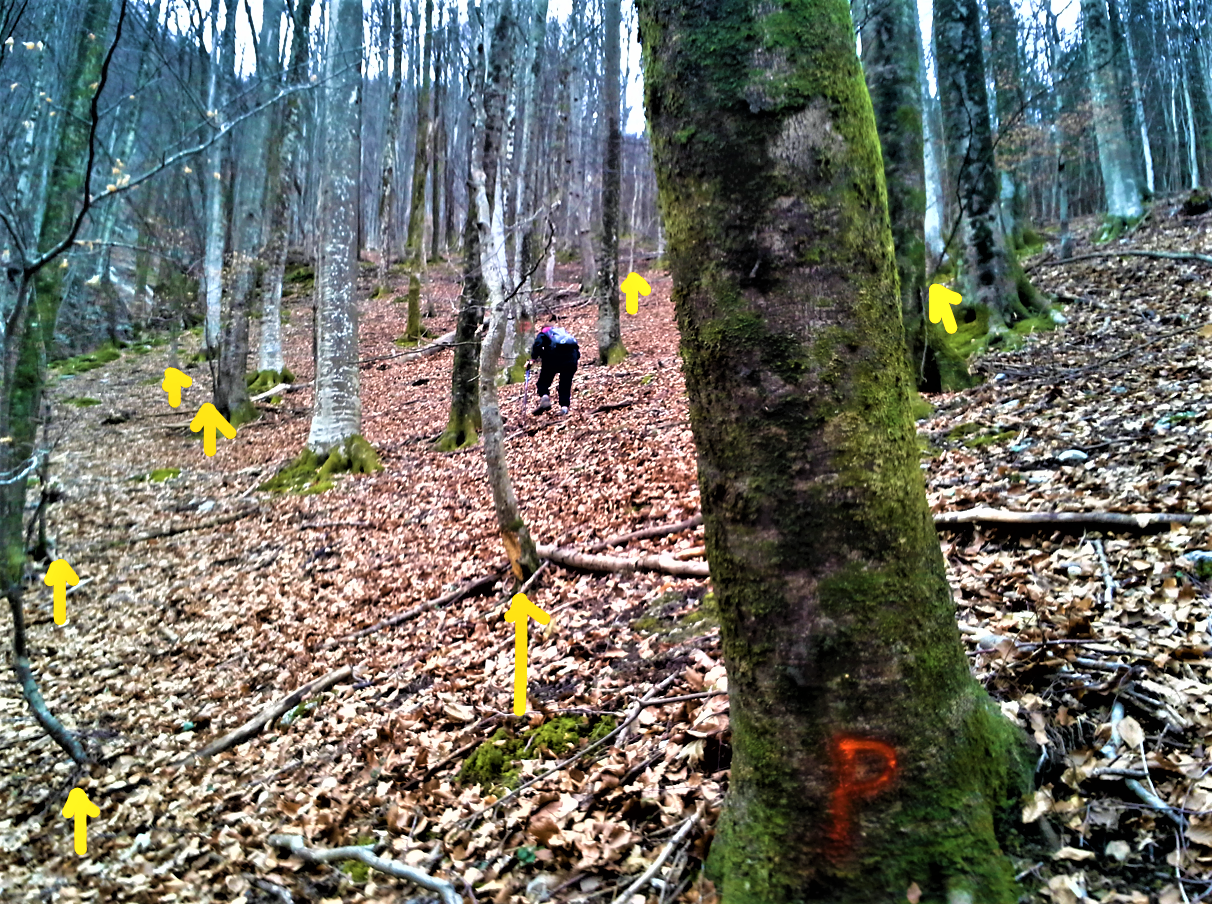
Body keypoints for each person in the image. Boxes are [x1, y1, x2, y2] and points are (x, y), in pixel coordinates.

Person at [527, 320, 580, 415]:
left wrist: (533, 359)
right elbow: (576, 349)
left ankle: (545, 398)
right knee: (565, 385)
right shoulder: (563, 333)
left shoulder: (545, 332)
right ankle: (564, 408)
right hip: (571, 360)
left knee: (543, 383)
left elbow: (538, 344)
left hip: (553, 359)